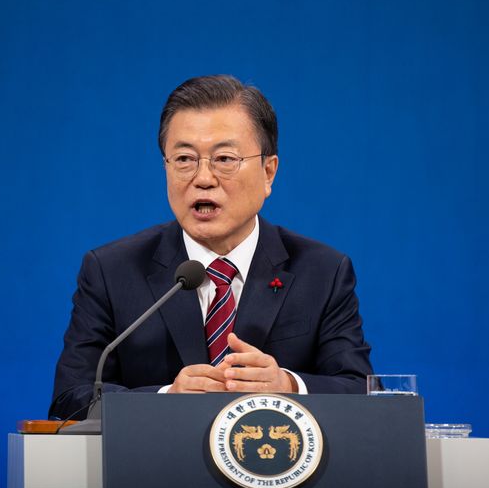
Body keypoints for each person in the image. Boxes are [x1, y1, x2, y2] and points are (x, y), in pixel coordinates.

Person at [49, 75, 373, 420]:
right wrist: (165, 397)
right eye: (185, 159)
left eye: (224, 159)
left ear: (268, 172)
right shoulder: (111, 271)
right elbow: (71, 399)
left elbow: (360, 391)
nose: (203, 178)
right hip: (154, 470)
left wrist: (288, 386)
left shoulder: (322, 272)